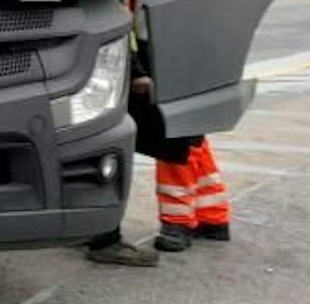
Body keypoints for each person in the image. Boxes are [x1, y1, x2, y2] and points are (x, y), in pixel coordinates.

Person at [84, 28, 231, 265]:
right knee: (185, 135)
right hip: (174, 53)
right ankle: (210, 218)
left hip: (152, 57)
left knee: (173, 140)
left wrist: (136, 70)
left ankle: (180, 223)